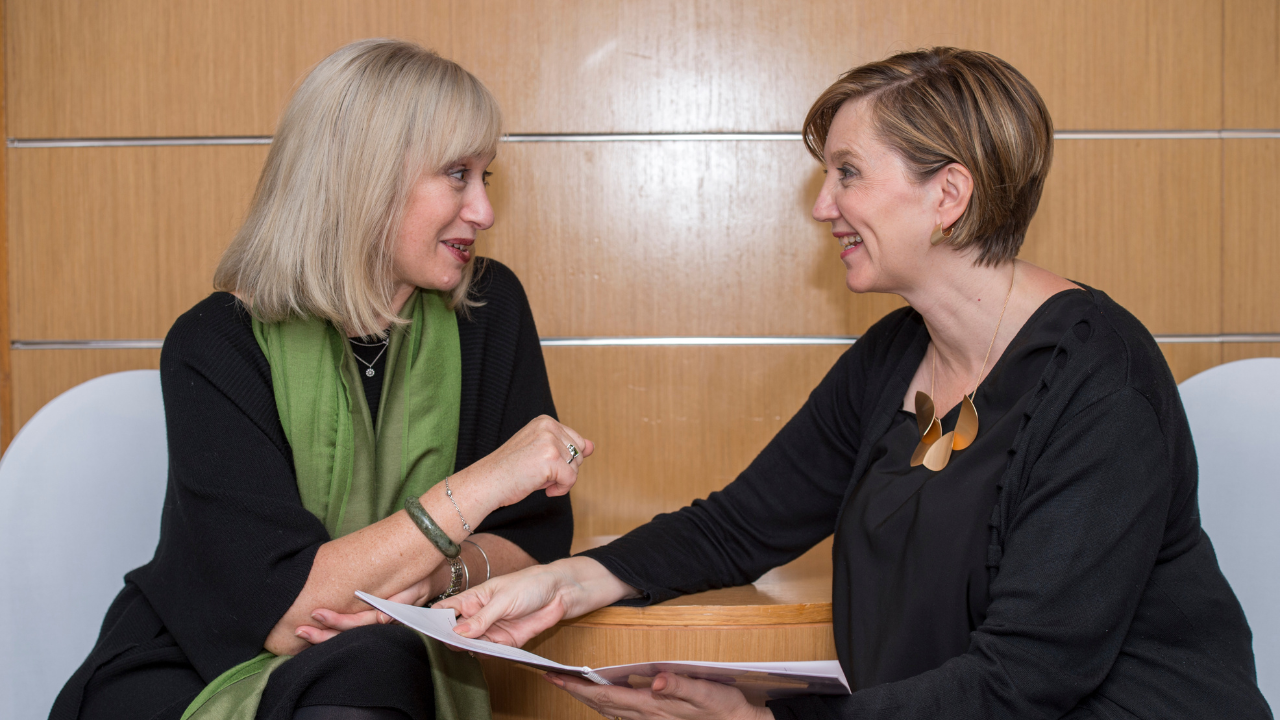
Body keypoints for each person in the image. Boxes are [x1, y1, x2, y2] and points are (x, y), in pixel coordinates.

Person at [435, 48, 1274, 719]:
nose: (822, 206)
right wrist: (569, 581)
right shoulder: (894, 356)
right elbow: (739, 527)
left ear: (948, 194)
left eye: (847, 173)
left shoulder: (1103, 383)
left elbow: (1024, 680)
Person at [50, 39, 592, 720]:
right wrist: (482, 487)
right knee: (367, 670)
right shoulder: (213, 343)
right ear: (365, 177)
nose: (483, 210)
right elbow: (289, 616)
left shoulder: (489, 309)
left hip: (379, 670)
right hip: (190, 671)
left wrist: (432, 572)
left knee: (373, 666)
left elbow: (535, 544)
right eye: (458, 174)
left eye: (485, 176)